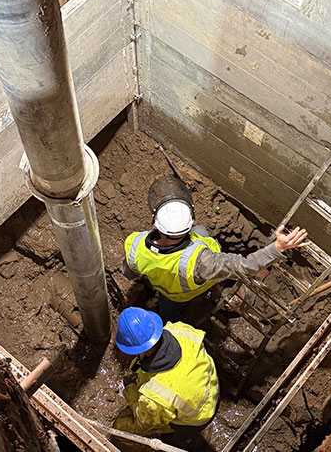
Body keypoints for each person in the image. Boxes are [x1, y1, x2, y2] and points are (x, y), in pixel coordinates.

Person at [122, 175, 308, 322]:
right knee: (202, 237)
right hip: (196, 289)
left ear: (156, 222)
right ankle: (215, 298)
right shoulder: (202, 261)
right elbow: (244, 266)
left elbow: (129, 272)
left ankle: (173, 322)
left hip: (168, 294)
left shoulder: (135, 244)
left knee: (169, 313)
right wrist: (276, 249)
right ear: (190, 221)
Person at [113, 307, 219, 441]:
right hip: (212, 387)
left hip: (197, 419)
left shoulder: (155, 398)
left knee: (120, 429)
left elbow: (143, 424)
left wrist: (131, 390)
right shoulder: (180, 329)